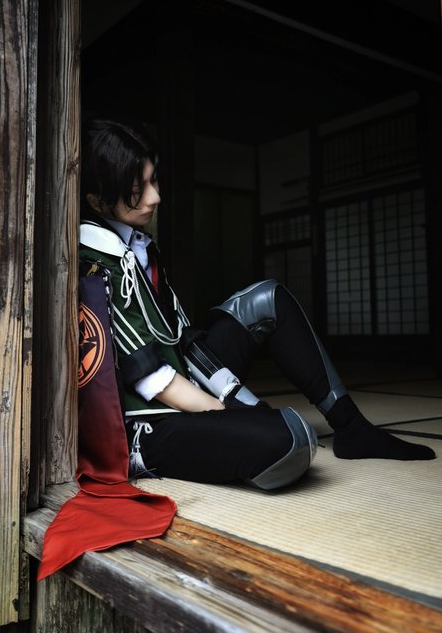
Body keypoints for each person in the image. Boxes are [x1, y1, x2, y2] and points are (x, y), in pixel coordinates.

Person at [79, 117, 435, 492]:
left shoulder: (139, 245)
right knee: (288, 439)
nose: (155, 197)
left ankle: (351, 427)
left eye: (155, 181)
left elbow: (181, 341)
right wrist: (228, 411)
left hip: (183, 374)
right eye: (139, 190)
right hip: (149, 416)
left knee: (269, 299)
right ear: (97, 201)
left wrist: (233, 396)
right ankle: (155, 451)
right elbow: (151, 378)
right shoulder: (96, 260)